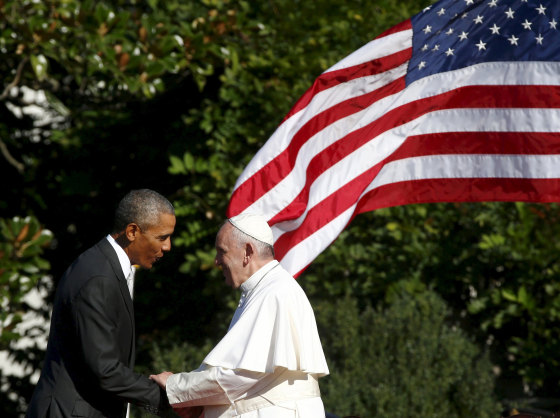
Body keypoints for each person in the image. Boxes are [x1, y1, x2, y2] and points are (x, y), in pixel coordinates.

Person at [150, 213, 329, 418]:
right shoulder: (265, 290)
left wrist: (175, 385)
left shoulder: (275, 293)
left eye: (222, 252)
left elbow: (238, 376)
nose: (216, 261)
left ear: (248, 252)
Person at [27, 189, 176, 418]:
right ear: (132, 231)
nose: (167, 247)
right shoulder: (98, 278)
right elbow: (105, 370)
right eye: (162, 237)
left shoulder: (104, 266)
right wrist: (174, 395)